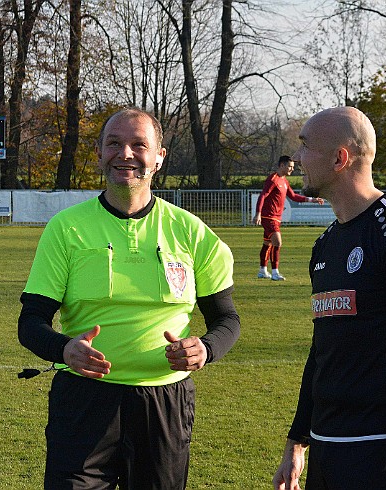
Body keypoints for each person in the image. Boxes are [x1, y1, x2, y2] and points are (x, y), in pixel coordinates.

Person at [18, 108, 240, 489]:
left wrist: (204, 348)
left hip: (164, 401)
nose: (126, 154)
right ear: (99, 151)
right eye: (114, 143)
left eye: (139, 145)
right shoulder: (66, 228)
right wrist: (64, 349)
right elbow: (31, 322)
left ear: (159, 156)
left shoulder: (191, 232)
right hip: (84, 400)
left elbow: (227, 320)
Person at [272, 107, 386, 490]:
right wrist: (297, 442)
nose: (298, 158)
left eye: (306, 147)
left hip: (384, 453)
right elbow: (322, 351)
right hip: (326, 447)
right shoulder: (325, 245)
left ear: (340, 159)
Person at [253, 155, 323, 281]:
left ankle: (262, 270)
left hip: (276, 218)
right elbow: (263, 195)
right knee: (277, 242)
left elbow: (293, 196)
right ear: (282, 165)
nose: (292, 169)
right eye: (290, 167)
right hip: (269, 217)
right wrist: (258, 213)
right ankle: (275, 273)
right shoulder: (273, 179)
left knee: (267, 243)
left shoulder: (284, 181)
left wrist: (312, 200)